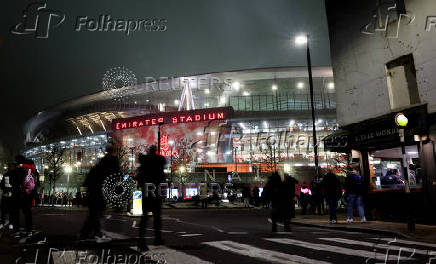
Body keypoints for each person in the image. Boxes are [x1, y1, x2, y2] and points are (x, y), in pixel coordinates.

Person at [80, 146, 120, 243]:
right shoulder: (113, 162)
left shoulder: (100, 163)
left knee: (95, 212)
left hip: (95, 189)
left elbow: (91, 176)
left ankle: (91, 232)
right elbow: (116, 177)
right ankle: (87, 233)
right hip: (100, 189)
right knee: (97, 212)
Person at [137, 145, 166, 251]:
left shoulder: (144, 160)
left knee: (144, 216)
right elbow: (162, 174)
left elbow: (139, 174)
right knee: (157, 215)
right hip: (156, 188)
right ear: (156, 151)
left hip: (146, 188)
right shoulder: (160, 160)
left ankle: (141, 240)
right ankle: (157, 238)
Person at [265, 167, 297, 232]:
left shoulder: (273, 179)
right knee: (286, 213)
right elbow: (294, 183)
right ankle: (286, 226)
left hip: (277, 198)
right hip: (286, 198)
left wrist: (269, 197)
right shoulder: (288, 178)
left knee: (276, 213)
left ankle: (275, 226)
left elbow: (267, 189)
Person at [9, 156, 35, 236]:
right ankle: (29, 228)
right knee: (27, 212)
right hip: (26, 194)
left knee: (15, 212)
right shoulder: (28, 170)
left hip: (16, 194)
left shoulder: (14, 171)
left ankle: (16, 229)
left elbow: (11, 182)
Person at [0, 163, 15, 229]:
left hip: (9, 195)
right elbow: (2, 185)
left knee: (9, 210)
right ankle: (5, 222)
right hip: (7, 194)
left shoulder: (7, 175)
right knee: (4, 210)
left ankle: (9, 223)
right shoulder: (6, 175)